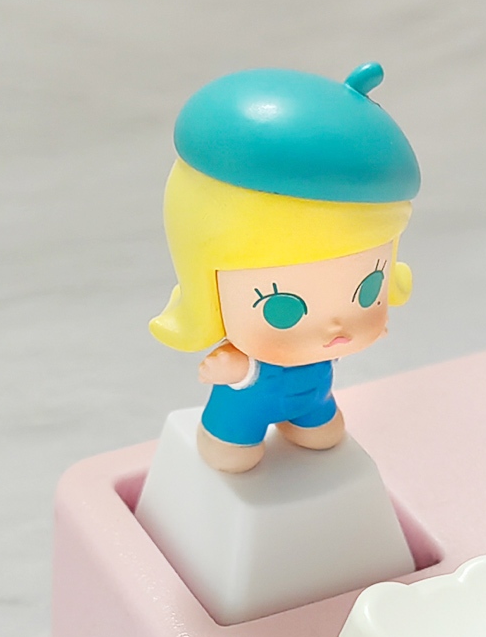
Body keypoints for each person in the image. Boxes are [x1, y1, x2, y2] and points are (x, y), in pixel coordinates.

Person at [150, 63, 420, 472]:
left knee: (324, 434)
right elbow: (240, 371)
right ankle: (224, 436)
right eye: (282, 307)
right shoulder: (255, 354)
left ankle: (303, 423)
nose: (335, 325)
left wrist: (369, 322)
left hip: (315, 401)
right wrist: (231, 366)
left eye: (368, 289)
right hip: (244, 410)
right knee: (233, 456)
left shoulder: (327, 342)